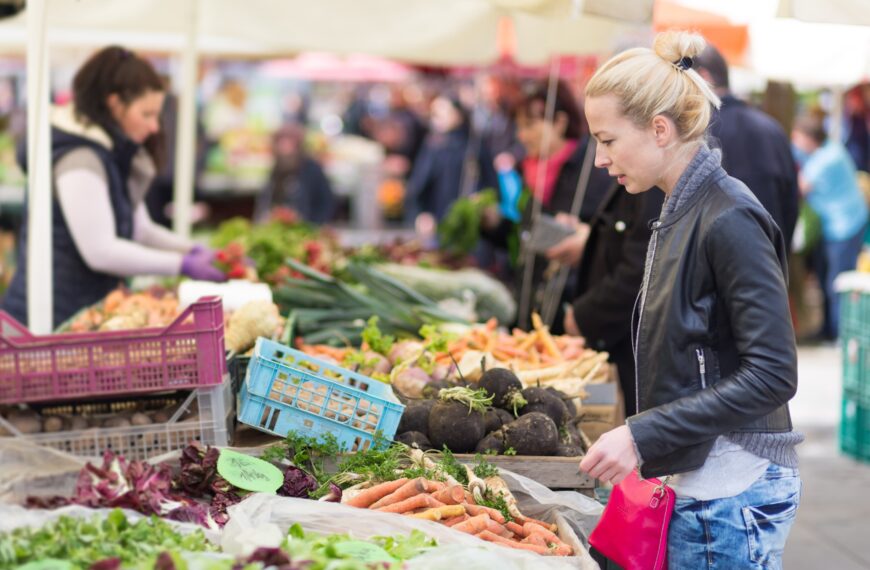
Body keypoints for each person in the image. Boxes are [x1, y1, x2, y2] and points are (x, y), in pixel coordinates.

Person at [578, 32, 802, 569]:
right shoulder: (680, 208)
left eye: (607, 140)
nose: (601, 159)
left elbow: (773, 373)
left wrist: (642, 432)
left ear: (659, 129)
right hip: (703, 485)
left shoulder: (729, 217)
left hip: (730, 493)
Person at [2, 46, 224, 329]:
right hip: (48, 320)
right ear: (115, 104)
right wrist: (181, 265)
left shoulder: (108, 153)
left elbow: (140, 228)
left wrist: (194, 250)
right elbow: (101, 251)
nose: (155, 126)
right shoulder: (80, 159)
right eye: (146, 114)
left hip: (81, 312)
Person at [481, 80, 612, 331]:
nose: (522, 135)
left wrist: (585, 240)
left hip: (573, 316)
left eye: (530, 125)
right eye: (519, 127)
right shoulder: (533, 172)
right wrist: (494, 224)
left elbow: (609, 245)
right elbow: (527, 238)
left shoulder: (594, 172)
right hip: (532, 311)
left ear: (560, 123)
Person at [546, 171, 663, 418]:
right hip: (619, 344)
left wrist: (585, 316)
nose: (601, 159)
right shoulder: (641, 182)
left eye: (608, 140)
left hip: (634, 350)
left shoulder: (655, 188)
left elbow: (640, 270)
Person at [694, 44, 801, 253]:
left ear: (703, 77)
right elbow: (792, 203)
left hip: (718, 269)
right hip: (770, 263)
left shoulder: (697, 132)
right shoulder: (772, 128)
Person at [792, 112, 868, 340]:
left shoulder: (827, 159)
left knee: (837, 281)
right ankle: (828, 329)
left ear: (808, 138)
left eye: (796, 138)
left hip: (845, 226)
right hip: (839, 224)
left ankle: (840, 335)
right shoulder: (826, 150)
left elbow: (801, 187)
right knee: (828, 277)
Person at [404, 94, 497, 225]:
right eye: (434, 114)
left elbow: (491, 183)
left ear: (458, 114)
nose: (437, 119)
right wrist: (420, 214)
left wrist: (484, 201)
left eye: (441, 112)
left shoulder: (474, 145)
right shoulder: (433, 146)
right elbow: (418, 185)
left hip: (473, 223)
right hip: (439, 220)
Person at [254, 122, 336, 224]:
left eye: (289, 142)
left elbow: (326, 203)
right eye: (281, 142)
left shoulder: (311, 169)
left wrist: (314, 226)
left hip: (306, 226)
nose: (285, 147)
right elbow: (266, 201)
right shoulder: (277, 167)